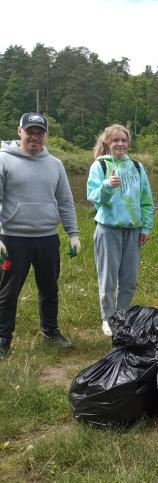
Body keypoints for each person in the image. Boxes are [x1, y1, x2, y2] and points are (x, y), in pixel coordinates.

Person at [0, 113, 80, 358]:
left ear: (46, 136)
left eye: (40, 132)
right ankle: (3, 339)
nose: (35, 137)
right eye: (30, 131)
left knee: (49, 288)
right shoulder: (3, 160)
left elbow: (65, 201)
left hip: (47, 237)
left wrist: (73, 233)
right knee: (8, 291)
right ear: (19, 131)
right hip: (13, 238)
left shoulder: (55, 164)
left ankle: (51, 332)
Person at [87, 124, 153, 337]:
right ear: (107, 143)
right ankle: (107, 318)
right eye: (115, 141)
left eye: (124, 140)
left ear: (128, 143)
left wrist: (146, 227)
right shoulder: (100, 165)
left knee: (129, 279)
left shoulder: (136, 166)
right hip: (108, 229)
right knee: (108, 278)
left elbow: (146, 201)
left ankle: (122, 317)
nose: (120, 144)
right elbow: (93, 196)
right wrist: (107, 185)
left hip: (133, 231)